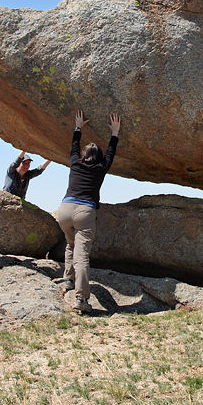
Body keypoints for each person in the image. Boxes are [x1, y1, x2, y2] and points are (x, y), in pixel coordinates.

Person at [54, 109, 120, 313]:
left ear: (83, 156)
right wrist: (115, 132)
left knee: (70, 244)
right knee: (81, 255)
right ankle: (81, 299)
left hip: (64, 210)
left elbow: (73, 146)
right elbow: (111, 152)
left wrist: (78, 127)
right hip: (85, 211)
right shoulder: (101, 168)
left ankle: (67, 279)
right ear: (99, 158)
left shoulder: (75, 163)